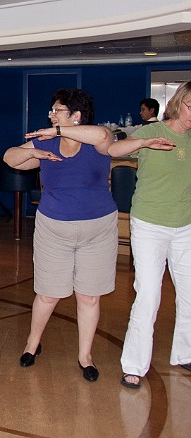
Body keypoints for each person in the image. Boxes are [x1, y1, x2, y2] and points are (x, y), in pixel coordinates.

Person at [4, 88, 119, 382]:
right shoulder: (48, 141)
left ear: (76, 116)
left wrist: (56, 130)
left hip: (98, 229)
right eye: (51, 111)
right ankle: (32, 344)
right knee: (47, 294)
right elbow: (9, 158)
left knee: (89, 296)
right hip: (54, 229)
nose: (50, 115)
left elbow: (105, 136)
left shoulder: (98, 141)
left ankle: (85, 356)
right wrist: (34, 151)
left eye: (57, 110)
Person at [113, 81, 190, 389]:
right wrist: (142, 144)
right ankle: (133, 364)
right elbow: (112, 149)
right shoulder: (150, 131)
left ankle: (185, 352)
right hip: (149, 225)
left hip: (185, 226)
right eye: (190, 107)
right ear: (178, 102)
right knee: (148, 295)